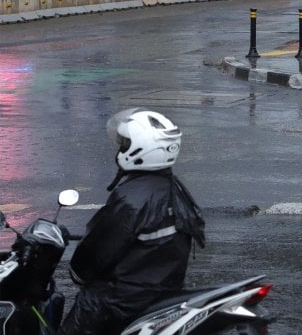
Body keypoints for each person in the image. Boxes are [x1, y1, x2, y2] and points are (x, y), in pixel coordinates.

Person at [58, 108, 206, 335]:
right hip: (161, 293)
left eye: (125, 144)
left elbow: (94, 253)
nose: (121, 149)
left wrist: (78, 272)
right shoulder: (174, 189)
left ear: (141, 150)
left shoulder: (132, 199)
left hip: (120, 301)